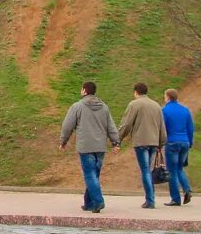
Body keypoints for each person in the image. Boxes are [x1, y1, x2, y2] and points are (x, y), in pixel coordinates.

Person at [59, 81, 119, 213]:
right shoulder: (104, 107)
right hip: (100, 147)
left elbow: (67, 125)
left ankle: (98, 201)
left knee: (90, 175)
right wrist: (115, 142)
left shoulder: (77, 107)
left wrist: (63, 141)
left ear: (85, 91)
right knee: (94, 175)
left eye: (82, 89)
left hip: (85, 146)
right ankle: (88, 203)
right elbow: (111, 126)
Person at [117, 82, 167, 209]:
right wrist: (161, 142)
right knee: (148, 170)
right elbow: (162, 125)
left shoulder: (134, 104)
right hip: (154, 142)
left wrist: (118, 139)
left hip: (141, 141)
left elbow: (127, 124)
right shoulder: (156, 105)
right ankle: (151, 198)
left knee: (145, 170)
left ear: (136, 92)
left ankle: (150, 200)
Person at [161, 88, 195, 206]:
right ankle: (187, 189)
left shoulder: (164, 110)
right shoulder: (185, 110)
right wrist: (190, 142)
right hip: (184, 142)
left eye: (165, 96)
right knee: (180, 168)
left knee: (172, 171)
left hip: (172, 142)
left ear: (168, 97)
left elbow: (163, 128)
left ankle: (175, 198)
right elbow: (190, 128)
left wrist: (160, 143)